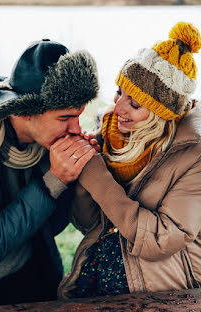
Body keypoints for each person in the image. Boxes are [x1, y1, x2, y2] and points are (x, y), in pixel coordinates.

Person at [58, 22, 201, 299]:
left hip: (165, 288)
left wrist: (96, 176)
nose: (119, 107)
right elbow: (89, 224)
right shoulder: (114, 134)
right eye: (119, 91)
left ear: (161, 113)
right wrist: (84, 172)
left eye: (135, 104)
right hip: (103, 273)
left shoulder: (193, 156)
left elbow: (162, 239)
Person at [0, 38, 99, 305]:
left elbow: (50, 226)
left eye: (78, 116)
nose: (76, 128)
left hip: (36, 273)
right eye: (65, 118)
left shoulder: (42, 144)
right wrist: (54, 180)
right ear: (25, 111)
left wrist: (76, 176)